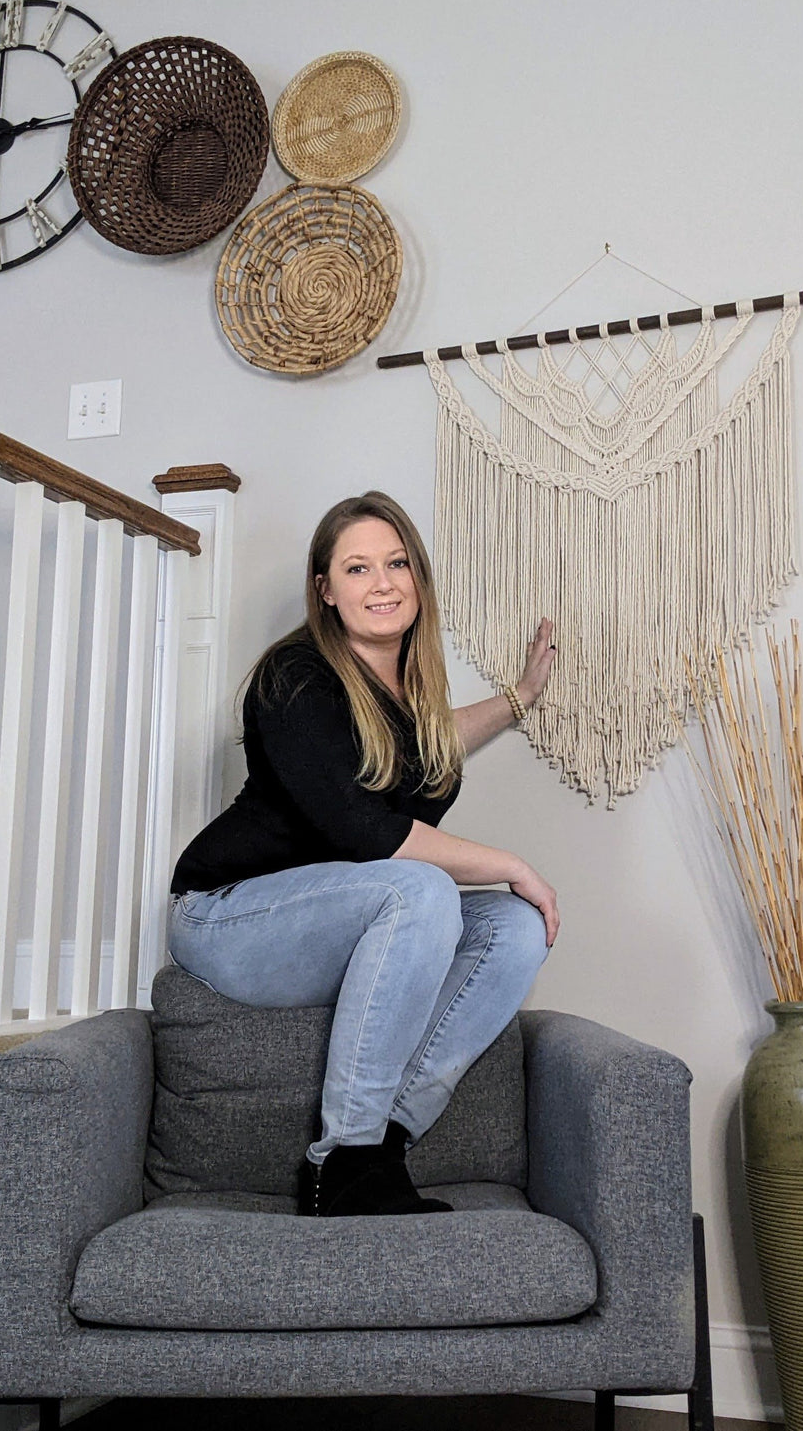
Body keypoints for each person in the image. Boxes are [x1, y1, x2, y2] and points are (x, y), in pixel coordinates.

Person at [167, 490, 558, 1219]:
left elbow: (434, 741)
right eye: (357, 567)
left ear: (418, 576)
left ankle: (383, 1146)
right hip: (228, 917)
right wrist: (512, 863)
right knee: (421, 888)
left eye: (396, 561)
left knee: (515, 928)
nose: (382, 583)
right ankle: (341, 1158)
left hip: (332, 920)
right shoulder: (295, 678)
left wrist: (520, 697)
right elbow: (366, 833)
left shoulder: (404, 694)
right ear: (326, 589)